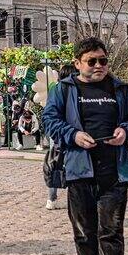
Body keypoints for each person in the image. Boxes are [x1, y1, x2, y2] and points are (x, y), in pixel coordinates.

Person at [42, 37, 128, 255]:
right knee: (84, 235)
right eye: (92, 61)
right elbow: (49, 121)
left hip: (114, 172)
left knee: (112, 235)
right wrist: (73, 135)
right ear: (77, 63)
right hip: (80, 171)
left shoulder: (121, 89)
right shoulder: (64, 89)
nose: (99, 65)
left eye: (103, 61)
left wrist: (125, 131)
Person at [44, 63, 77, 211]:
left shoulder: (55, 90)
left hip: (58, 133)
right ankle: (72, 198)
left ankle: (52, 198)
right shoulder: (72, 90)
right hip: (69, 131)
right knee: (68, 165)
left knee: (55, 164)